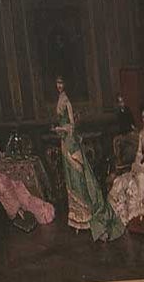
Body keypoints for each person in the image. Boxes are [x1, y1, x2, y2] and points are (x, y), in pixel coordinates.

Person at [52, 77, 122, 241]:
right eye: (57, 83)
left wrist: (60, 129)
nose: (59, 86)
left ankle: (86, 216)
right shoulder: (59, 99)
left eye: (61, 83)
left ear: (65, 84)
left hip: (71, 142)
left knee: (78, 178)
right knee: (71, 179)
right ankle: (77, 218)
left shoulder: (67, 101)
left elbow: (72, 126)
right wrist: (59, 131)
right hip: (64, 142)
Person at [107, 109, 144, 229]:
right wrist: (136, 165)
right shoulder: (141, 134)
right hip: (141, 165)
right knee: (125, 181)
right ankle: (130, 217)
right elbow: (139, 153)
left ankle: (142, 216)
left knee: (141, 180)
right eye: (143, 117)